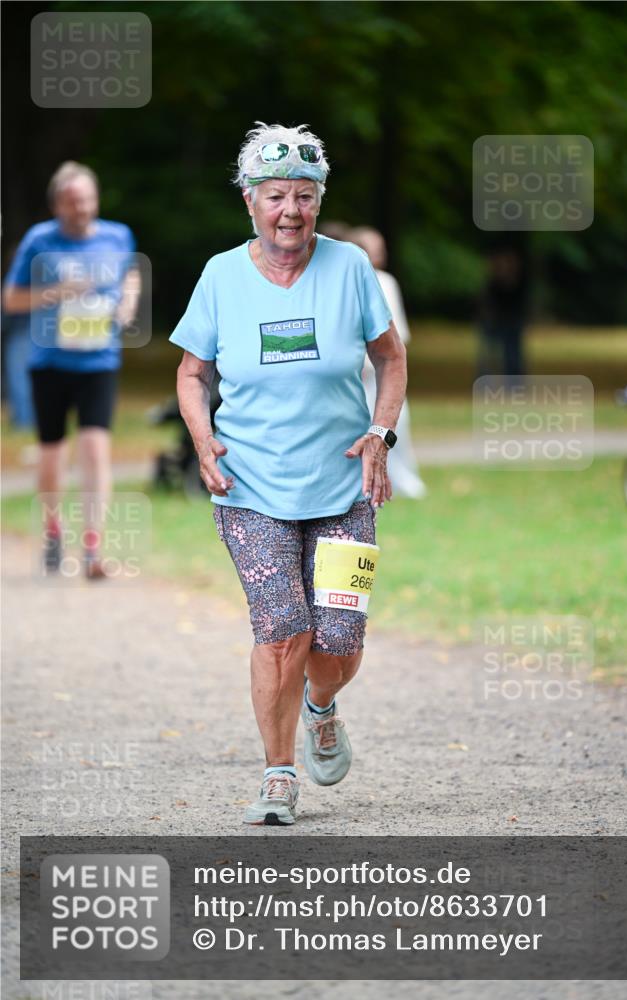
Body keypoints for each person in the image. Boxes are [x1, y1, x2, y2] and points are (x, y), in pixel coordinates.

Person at [170, 122, 407, 825]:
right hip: (250, 491)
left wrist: (378, 432)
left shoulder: (350, 268)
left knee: (338, 640)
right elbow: (190, 373)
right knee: (280, 627)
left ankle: (321, 706)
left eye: (304, 195)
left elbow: (391, 359)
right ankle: (277, 774)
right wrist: (203, 437)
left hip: (343, 487)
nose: (290, 211)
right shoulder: (220, 275)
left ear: (319, 198)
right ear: (249, 201)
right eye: (275, 196)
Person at [2, 162, 140, 578]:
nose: (80, 208)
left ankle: (94, 548)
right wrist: (55, 293)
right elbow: (11, 300)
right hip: (50, 363)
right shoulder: (39, 240)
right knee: (52, 455)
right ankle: (52, 531)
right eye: (71, 201)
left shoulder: (118, 235)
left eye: (86, 199)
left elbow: (130, 273)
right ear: (57, 204)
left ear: (95, 199)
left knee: (96, 450)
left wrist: (127, 304)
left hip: (99, 360)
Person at [348, 225, 427, 499]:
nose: (381, 253)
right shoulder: (348, 283)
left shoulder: (385, 282)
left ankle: (402, 479)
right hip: (355, 376)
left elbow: (397, 337)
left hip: (378, 372)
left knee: (395, 427)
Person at [477, 245, 528, 387]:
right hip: (494, 322)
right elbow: (486, 302)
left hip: (512, 321)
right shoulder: (493, 282)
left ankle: (515, 384)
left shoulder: (516, 281)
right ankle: (484, 382)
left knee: (513, 354)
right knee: (487, 355)